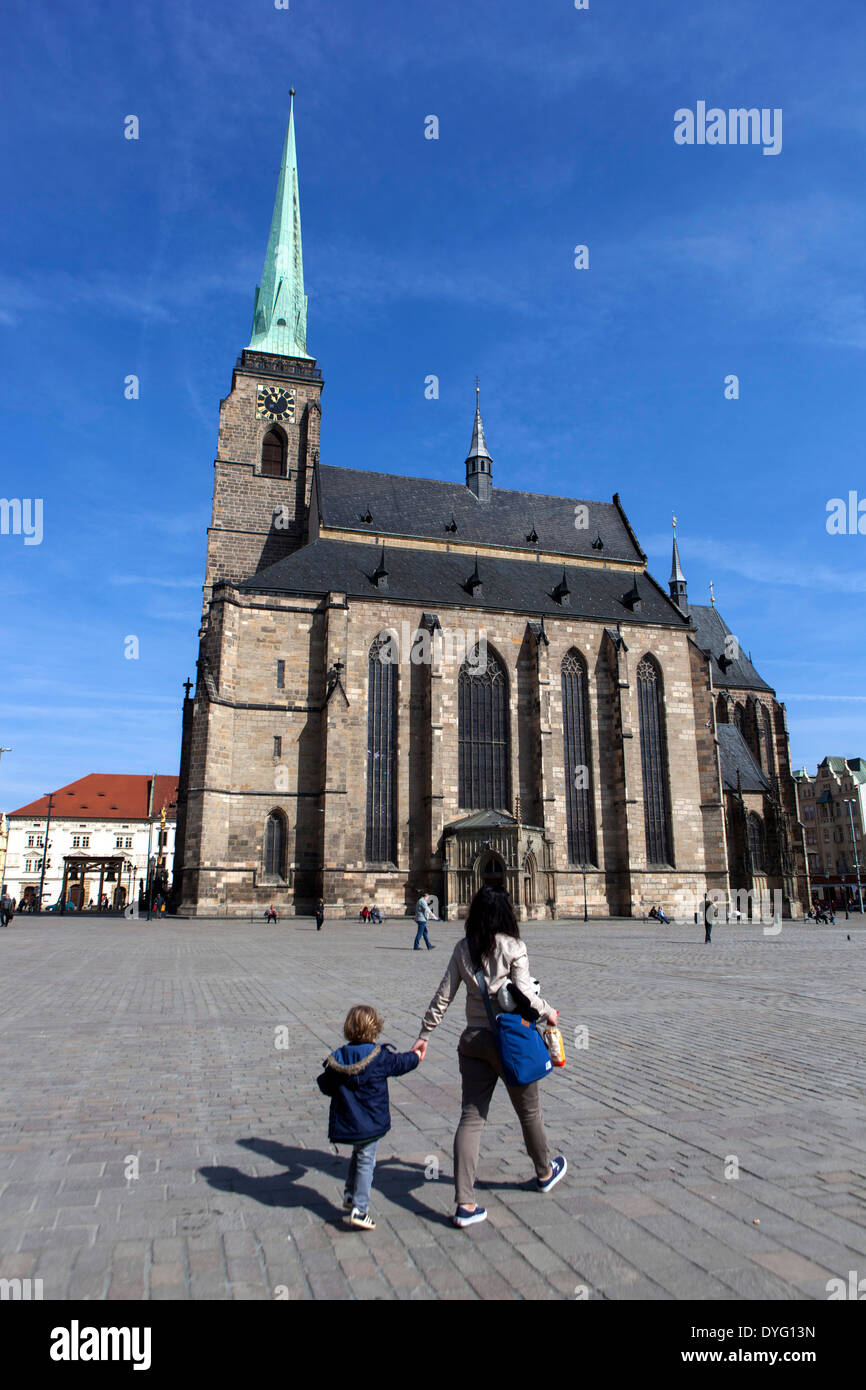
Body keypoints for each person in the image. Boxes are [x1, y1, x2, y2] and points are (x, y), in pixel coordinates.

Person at [412, 885, 566, 1228]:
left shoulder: (463, 948)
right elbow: (524, 995)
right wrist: (547, 1012)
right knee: (529, 1113)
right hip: (509, 1043)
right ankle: (544, 1172)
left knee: (471, 1118)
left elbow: (443, 996)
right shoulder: (514, 947)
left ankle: (465, 1204)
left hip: (473, 1041)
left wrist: (424, 1035)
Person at [316, 1004, 421, 1231]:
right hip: (370, 1123)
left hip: (349, 1123)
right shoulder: (380, 1057)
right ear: (375, 1029)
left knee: (358, 1153)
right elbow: (400, 1064)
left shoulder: (339, 1058)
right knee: (366, 1160)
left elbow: (325, 1085)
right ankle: (360, 1209)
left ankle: (349, 1194)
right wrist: (416, 1056)